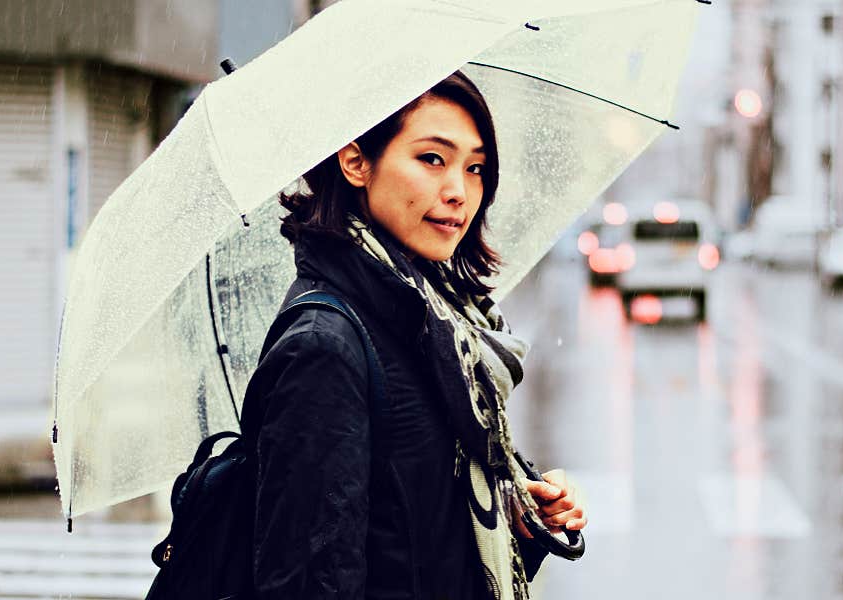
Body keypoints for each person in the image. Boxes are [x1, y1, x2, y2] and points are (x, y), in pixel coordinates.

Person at [238, 71, 588, 600]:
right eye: (432, 159)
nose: (459, 192)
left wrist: (516, 520)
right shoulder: (325, 348)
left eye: (474, 168)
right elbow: (308, 582)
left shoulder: (435, 326)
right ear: (355, 161)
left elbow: (418, 548)